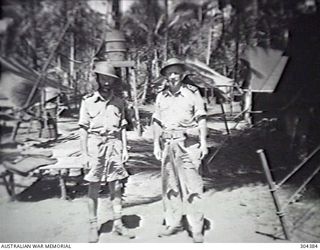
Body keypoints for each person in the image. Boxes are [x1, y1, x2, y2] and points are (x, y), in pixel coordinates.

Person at [152, 58, 208, 243]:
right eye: (169, 73)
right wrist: (155, 145)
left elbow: (201, 118)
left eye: (176, 73)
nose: (173, 76)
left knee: (193, 187)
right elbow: (157, 122)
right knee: (171, 187)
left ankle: (196, 227)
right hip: (168, 145)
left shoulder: (193, 93)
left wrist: (203, 143)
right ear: (165, 76)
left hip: (188, 145)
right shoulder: (161, 96)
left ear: (182, 74)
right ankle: (173, 222)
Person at [79, 61, 135, 243]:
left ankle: (118, 223)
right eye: (103, 78)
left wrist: (125, 148)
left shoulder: (119, 102)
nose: (106, 82)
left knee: (116, 185)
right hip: (95, 146)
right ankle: (92, 225)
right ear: (97, 78)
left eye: (110, 78)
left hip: (114, 145)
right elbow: (83, 129)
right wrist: (85, 153)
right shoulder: (87, 101)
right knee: (93, 186)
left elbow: (122, 127)